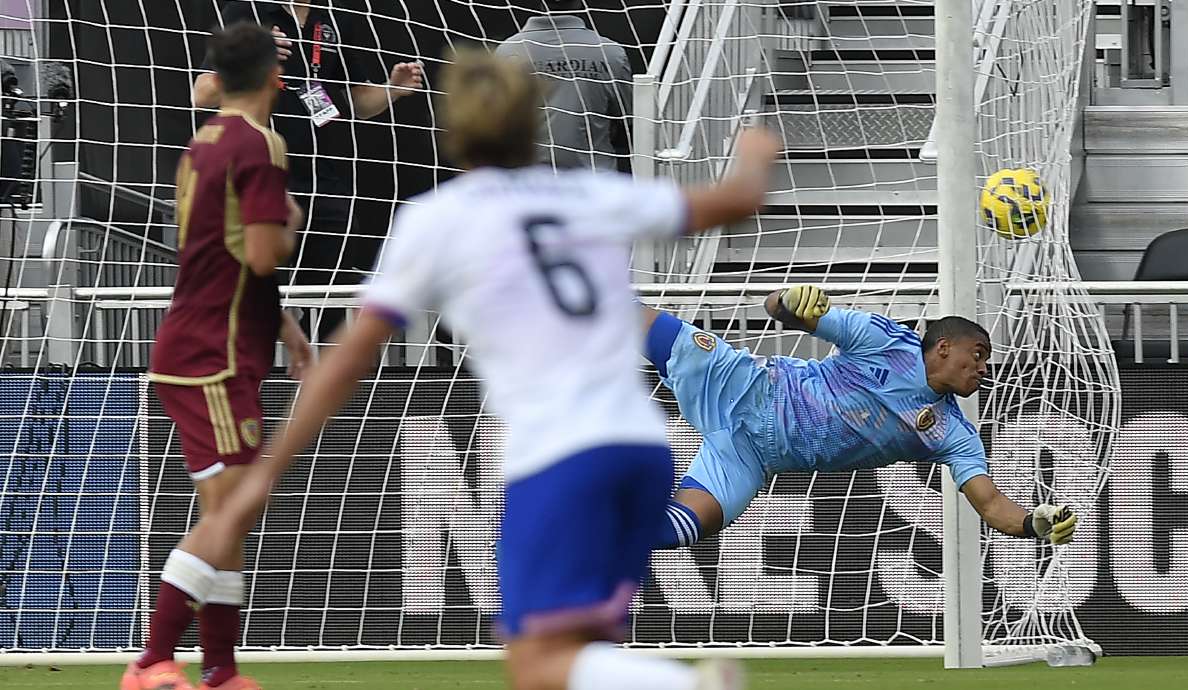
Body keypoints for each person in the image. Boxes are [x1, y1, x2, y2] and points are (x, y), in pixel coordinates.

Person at [177, 48, 780, 689]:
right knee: (583, 649)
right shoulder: (586, 194)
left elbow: (352, 355)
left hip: (559, 452)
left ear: (452, 131)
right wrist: (756, 149)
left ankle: (693, 687)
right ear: (532, 124)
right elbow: (737, 199)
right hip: (642, 447)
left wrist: (268, 469)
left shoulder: (439, 219)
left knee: (541, 663)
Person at [122, 22, 312, 690]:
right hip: (215, 356)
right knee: (233, 511)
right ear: (275, 79)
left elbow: (221, 254)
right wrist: (288, 225)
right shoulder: (261, 145)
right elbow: (260, 254)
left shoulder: (203, 142)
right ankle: (151, 661)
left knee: (223, 515)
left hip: (197, 342)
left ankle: (221, 671)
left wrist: (284, 325)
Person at [643, 285, 1079, 550]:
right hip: (745, 387)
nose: (984, 368)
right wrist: (791, 299)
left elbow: (990, 504)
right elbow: (777, 307)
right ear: (945, 347)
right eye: (978, 355)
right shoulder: (884, 340)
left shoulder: (955, 435)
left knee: (676, 530)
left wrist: (1030, 524)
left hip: (747, 457)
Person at [194, 0, 425, 341]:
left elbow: (353, 101)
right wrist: (253, 56)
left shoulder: (333, 19)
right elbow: (202, 94)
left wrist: (393, 90)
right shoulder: (246, 12)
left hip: (324, 179)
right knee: (250, 290)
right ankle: (248, 378)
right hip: (259, 175)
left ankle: (316, 381)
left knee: (332, 296)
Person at [497, 0, 632, 172]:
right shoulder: (611, 52)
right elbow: (627, 119)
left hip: (527, 184)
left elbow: (498, 122)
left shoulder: (507, 52)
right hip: (593, 183)